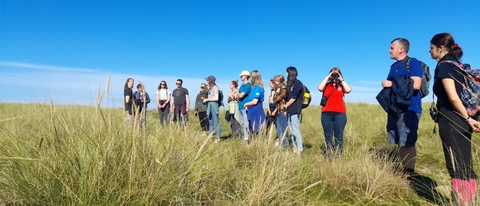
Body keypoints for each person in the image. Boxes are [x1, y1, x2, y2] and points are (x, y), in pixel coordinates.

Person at [430, 32, 480, 205]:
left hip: (453, 119)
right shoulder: (457, 65)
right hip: (464, 120)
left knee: (455, 163)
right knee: (465, 161)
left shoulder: (444, 66)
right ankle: (471, 201)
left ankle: (460, 202)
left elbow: (453, 97)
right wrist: (469, 119)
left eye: (432, 48)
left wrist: (467, 119)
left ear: (441, 48)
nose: (430, 51)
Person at [381, 38, 422, 176]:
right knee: (399, 140)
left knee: (408, 142)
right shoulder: (393, 66)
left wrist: (391, 84)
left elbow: (416, 84)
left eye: (392, 47)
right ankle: (405, 170)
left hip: (409, 109)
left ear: (401, 49)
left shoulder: (413, 63)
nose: (389, 50)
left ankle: (410, 173)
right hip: (395, 109)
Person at [317, 67, 352, 158]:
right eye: (333, 74)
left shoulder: (341, 85)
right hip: (326, 113)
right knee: (328, 136)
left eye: (337, 74)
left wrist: (341, 79)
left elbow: (348, 90)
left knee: (339, 136)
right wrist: (328, 77)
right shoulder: (327, 85)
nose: (334, 76)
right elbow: (320, 88)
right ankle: (330, 155)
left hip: (339, 114)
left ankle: (338, 155)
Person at [284, 66, 304, 156]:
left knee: (296, 130)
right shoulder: (289, 84)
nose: (286, 74)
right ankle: (294, 148)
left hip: (295, 110)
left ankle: (300, 150)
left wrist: (285, 106)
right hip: (289, 110)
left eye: (287, 72)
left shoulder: (298, 83)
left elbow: (293, 98)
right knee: (291, 131)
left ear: (290, 73)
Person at [244, 70, 266, 138]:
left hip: (256, 109)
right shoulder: (254, 88)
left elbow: (255, 101)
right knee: (251, 127)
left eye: (250, 77)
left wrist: (246, 104)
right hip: (251, 109)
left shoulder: (257, 88)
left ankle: (256, 143)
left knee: (256, 128)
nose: (250, 78)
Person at [203, 76, 221, 142]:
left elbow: (216, 98)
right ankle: (210, 137)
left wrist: (207, 99)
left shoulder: (215, 88)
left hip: (214, 106)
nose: (207, 81)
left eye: (207, 80)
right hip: (209, 106)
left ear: (211, 81)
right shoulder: (210, 89)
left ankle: (218, 137)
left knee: (216, 122)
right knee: (210, 122)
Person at [235, 70, 252, 141]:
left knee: (246, 123)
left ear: (246, 76)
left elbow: (240, 95)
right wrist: (237, 95)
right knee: (242, 123)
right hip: (240, 106)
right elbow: (236, 96)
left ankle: (247, 137)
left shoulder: (248, 85)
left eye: (242, 76)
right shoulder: (242, 85)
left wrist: (237, 95)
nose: (241, 77)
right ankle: (246, 136)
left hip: (245, 106)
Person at [272, 74, 288, 148]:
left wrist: (276, 92)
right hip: (279, 111)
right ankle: (282, 145)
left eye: (277, 81)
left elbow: (275, 100)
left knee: (283, 129)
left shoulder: (284, 90)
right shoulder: (279, 89)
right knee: (279, 129)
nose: (275, 82)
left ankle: (285, 145)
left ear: (280, 81)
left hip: (283, 111)